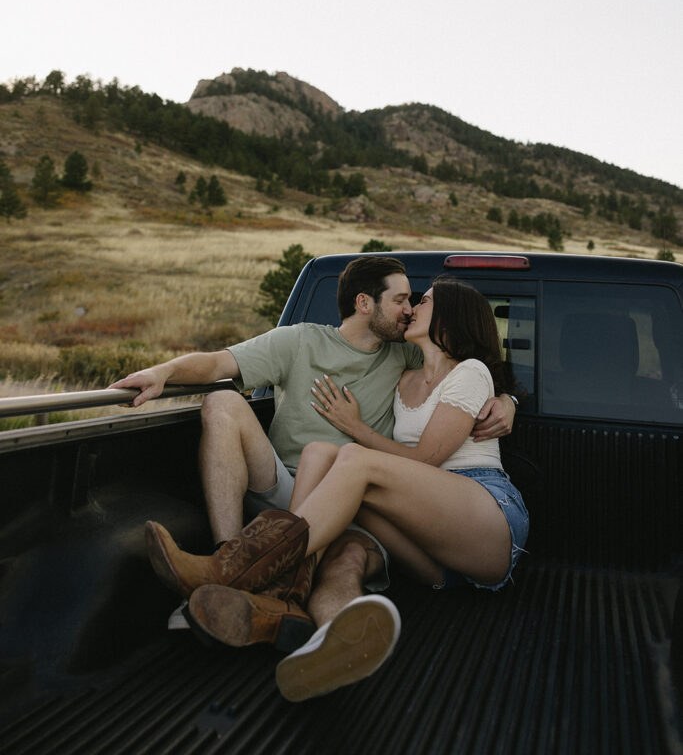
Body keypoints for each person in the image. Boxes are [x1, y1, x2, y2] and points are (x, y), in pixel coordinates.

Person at [110, 257, 517, 697]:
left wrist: (507, 400)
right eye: (401, 300)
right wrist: (163, 371)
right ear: (365, 303)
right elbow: (215, 365)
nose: (409, 308)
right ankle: (230, 558)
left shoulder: (407, 351)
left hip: (362, 504)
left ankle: (281, 612)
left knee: (345, 560)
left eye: (415, 302)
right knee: (223, 403)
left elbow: (475, 363)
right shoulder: (302, 341)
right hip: (289, 485)